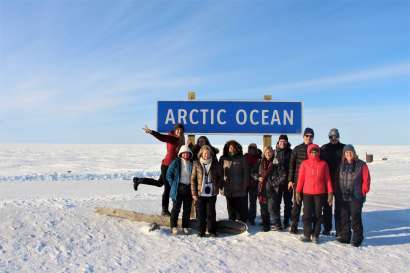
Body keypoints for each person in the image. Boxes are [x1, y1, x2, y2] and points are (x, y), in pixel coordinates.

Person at [133, 124, 185, 216]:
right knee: (167, 188)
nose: (179, 132)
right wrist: (152, 132)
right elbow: (162, 137)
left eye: (181, 131)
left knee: (159, 183)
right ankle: (164, 210)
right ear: (175, 130)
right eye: (178, 130)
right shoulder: (172, 138)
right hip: (167, 166)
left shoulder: (181, 140)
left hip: (171, 166)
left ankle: (138, 180)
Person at [295, 144, 333, 243]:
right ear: (309, 152)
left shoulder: (323, 164)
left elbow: (328, 179)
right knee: (307, 215)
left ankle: (316, 235)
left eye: (316, 151)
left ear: (318, 152)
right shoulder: (304, 164)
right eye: (312, 151)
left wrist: (330, 193)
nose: (314, 153)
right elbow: (301, 179)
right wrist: (298, 191)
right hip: (307, 193)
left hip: (320, 193)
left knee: (318, 215)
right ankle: (307, 234)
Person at [337, 145, 371, 247]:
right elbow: (338, 179)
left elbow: (367, 180)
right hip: (343, 196)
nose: (348, 154)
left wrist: (363, 192)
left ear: (354, 153)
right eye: (346, 153)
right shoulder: (341, 165)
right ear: (344, 154)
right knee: (344, 217)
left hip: (356, 196)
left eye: (350, 152)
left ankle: (358, 238)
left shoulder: (361, 165)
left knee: (355, 217)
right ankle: (345, 237)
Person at [191, 145, 222, 237]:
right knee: (201, 214)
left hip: (212, 194)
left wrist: (217, 185)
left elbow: (220, 177)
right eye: (205, 153)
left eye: (208, 153)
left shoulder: (215, 164)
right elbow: (193, 179)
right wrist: (194, 194)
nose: (206, 155)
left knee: (211, 213)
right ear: (201, 153)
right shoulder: (196, 164)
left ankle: (212, 231)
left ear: (211, 154)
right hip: (200, 194)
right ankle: (201, 231)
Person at [288, 127, 315, 234]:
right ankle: (294, 226)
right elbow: (291, 165)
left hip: (311, 184)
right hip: (298, 182)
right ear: (303, 136)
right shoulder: (297, 149)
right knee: (297, 205)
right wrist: (290, 180)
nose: (309, 137)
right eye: (307, 135)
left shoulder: (316, 149)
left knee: (309, 207)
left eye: (311, 136)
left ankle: (308, 227)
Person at [320, 128, 345, 236]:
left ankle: (339, 230)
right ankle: (327, 228)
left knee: (340, 207)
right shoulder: (324, 148)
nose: (333, 139)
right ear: (329, 137)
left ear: (338, 137)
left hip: (340, 181)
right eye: (331, 137)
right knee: (327, 207)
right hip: (327, 181)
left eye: (335, 137)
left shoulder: (344, 148)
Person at [166, 145, 193, 235]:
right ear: (181, 154)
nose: (186, 155)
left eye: (187, 153)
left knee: (187, 209)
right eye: (184, 153)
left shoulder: (191, 163)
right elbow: (168, 175)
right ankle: (173, 226)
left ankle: (185, 226)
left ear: (190, 154)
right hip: (178, 189)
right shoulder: (176, 162)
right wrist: (174, 184)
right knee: (176, 209)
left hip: (188, 188)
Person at [220, 140, 249, 223]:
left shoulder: (242, 158)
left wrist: (245, 185)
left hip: (239, 186)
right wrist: (220, 184)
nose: (231, 148)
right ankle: (231, 221)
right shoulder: (223, 158)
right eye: (230, 147)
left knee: (239, 206)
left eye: (233, 147)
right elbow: (220, 172)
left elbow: (246, 173)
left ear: (237, 148)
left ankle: (240, 222)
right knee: (230, 206)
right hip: (227, 186)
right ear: (227, 148)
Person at [273, 135, 293, 230]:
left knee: (288, 203)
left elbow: (292, 167)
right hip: (277, 183)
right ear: (278, 142)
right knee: (276, 203)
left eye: (284, 141)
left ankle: (286, 221)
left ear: (287, 142)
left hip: (288, 182)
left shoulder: (291, 152)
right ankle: (278, 223)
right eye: (281, 141)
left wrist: (290, 180)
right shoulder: (274, 152)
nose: (283, 143)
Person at [257, 146, 275, 231]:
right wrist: (257, 177)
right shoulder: (259, 162)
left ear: (272, 153)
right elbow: (252, 172)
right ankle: (265, 225)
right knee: (263, 208)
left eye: (270, 152)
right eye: (266, 152)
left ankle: (276, 223)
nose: (268, 153)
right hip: (261, 188)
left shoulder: (275, 162)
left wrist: (274, 183)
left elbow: (282, 174)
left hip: (272, 189)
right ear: (264, 153)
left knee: (271, 208)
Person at [244, 143, 261, 225]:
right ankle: (244, 217)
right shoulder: (244, 157)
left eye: (254, 148)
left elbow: (259, 171)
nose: (252, 150)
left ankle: (252, 218)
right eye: (250, 148)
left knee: (253, 202)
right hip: (245, 183)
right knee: (243, 202)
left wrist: (255, 176)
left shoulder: (259, 159)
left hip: (254, 183)